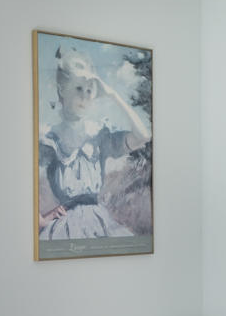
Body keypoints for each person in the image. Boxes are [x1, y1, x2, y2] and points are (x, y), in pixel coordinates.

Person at [38, 48, 149, 240]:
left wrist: (113, 94)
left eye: (90, 90)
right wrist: (39, 219)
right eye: (78, 88)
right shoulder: (50, 138)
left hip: (99, 222)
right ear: (62, 91)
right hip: (65, 225)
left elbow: (143, 136)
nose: (85, 96)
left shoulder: (100, 135)